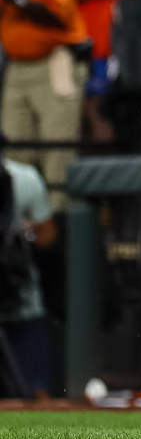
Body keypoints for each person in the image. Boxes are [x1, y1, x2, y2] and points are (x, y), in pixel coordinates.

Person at [0, 0, 88, 209]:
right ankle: (20, 224)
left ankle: (61, 227)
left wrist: (19, 2)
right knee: (15, 151)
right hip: (17, 67)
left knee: (57, 150)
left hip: (55, 61)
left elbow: (59, 16)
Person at [0, 138, 54, 398]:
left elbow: (47, 235)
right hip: (20, 293)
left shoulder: (24, 179)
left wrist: (22, 234)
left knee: (36, 388)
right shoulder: (25, 177)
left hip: (19, 292)